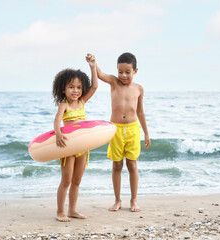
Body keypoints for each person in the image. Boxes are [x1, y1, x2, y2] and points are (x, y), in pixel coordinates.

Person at [95, 52, 151, 212]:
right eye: (120, 71)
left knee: (132, 164)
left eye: (127, 72)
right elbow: (100, 74)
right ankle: (117, 200)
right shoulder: (114, 82)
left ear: (135, 71)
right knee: (117, 165)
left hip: (133, 129)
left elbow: (140, 112)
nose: (123, 75)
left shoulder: (139, 89)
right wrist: (93, 63)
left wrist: (146, 133)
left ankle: (134, 200)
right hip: (116, 129)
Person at [52, 54, 97, 222]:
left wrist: (92, 67)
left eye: (79, 87)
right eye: (71, 87)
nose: (76, 91)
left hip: (82, 147)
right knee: (66, 180)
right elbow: (57, 120)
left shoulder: (83, 102)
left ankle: (72, 210)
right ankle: (59, 212)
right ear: (63, 89)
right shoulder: (64, 104)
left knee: (77, 181)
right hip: (69, 147)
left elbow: (94, 87)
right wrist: (58, 133)